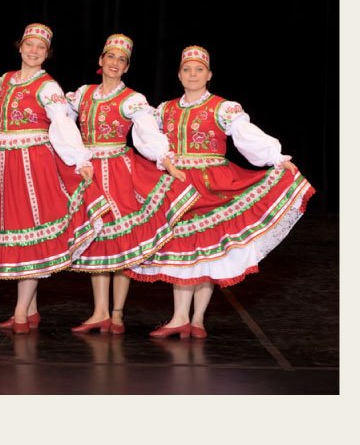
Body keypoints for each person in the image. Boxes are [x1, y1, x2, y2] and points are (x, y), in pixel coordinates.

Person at [127, 45, 315, 338]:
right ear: (179, 75)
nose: (192, 74)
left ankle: (197, 319)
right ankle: (180, 317)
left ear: (209, 74)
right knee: (182, 247)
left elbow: (247, 137)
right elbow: (146, 135)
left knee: (208, 251)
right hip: (178, 183)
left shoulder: (223, 108)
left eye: (198, 69)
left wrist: (277, 158)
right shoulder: (164, 110)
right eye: (187, 69)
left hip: (213, 182)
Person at [0, 23, 107, 334]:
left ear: (47, 54)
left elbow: (61, 123)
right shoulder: (4, 80)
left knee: (30, 234)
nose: (33, 51)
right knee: (16, 232)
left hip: (32, 163)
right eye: (29, 45)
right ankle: (30, 310)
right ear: (20, 47)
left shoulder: (48, 87)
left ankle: (20, 311)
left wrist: (79, 159)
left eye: (40, 48)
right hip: (2, 163)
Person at [66, 34, 199, 334]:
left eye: (121, 60)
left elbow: (147, 132)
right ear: (101, 60)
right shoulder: (82, 94)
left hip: (119, 171)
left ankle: (116, 314)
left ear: (126, 67)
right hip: (89, 171)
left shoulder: (132, 99)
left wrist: (165, 159)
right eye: (110, 57)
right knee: (98, 239)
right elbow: (60, 122)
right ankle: (99, 311)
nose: (115, 63)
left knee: (122, 241)